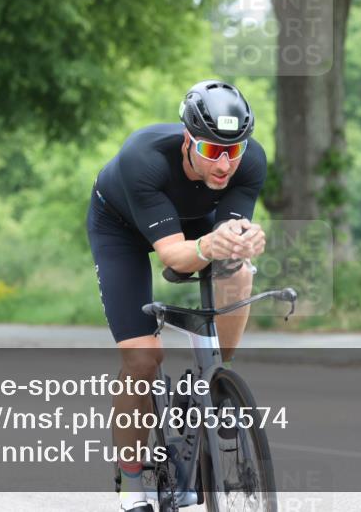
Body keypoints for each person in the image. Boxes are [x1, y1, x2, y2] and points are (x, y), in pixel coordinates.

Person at [86, 80, 268, 511]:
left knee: (239, 275)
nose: (224, 164)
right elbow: (174, 257)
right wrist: (209, 246)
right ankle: (132, 484)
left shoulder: (250, 161)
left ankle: (218, 384)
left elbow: (228, 241)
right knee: (143, 359)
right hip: (122, 229)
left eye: (233, 150)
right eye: (211, 151)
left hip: (194, 221)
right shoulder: (143, 158)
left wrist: (240, 244)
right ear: (189, 141)